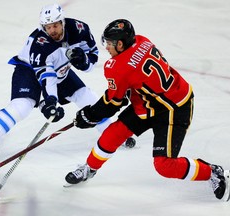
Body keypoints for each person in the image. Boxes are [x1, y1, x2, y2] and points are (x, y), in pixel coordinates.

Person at [65, 19, 230, 201]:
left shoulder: (118, 67)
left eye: (110, 44)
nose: (107, 48)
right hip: (149, 102)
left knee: (164, 165)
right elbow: (135, 81)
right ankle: (90, 168)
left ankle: (213, 172)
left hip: (174, 108)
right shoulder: (141, 40)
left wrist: (89, 116)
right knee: (113, 134)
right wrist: (102, 108)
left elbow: (113, 103)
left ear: (121, 44)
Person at [0, 5, 135, 163]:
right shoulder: (39, 45)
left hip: (60, 68)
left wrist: (83, 61)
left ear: (62, 22)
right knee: (23, 105)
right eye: (48, 27)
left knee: (85, 95)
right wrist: (50, 101)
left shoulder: (79, 29)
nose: (52, 30)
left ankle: (112, 135)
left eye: (55, 25)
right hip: (29, 70)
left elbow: (92, 57)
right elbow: (47, 77)